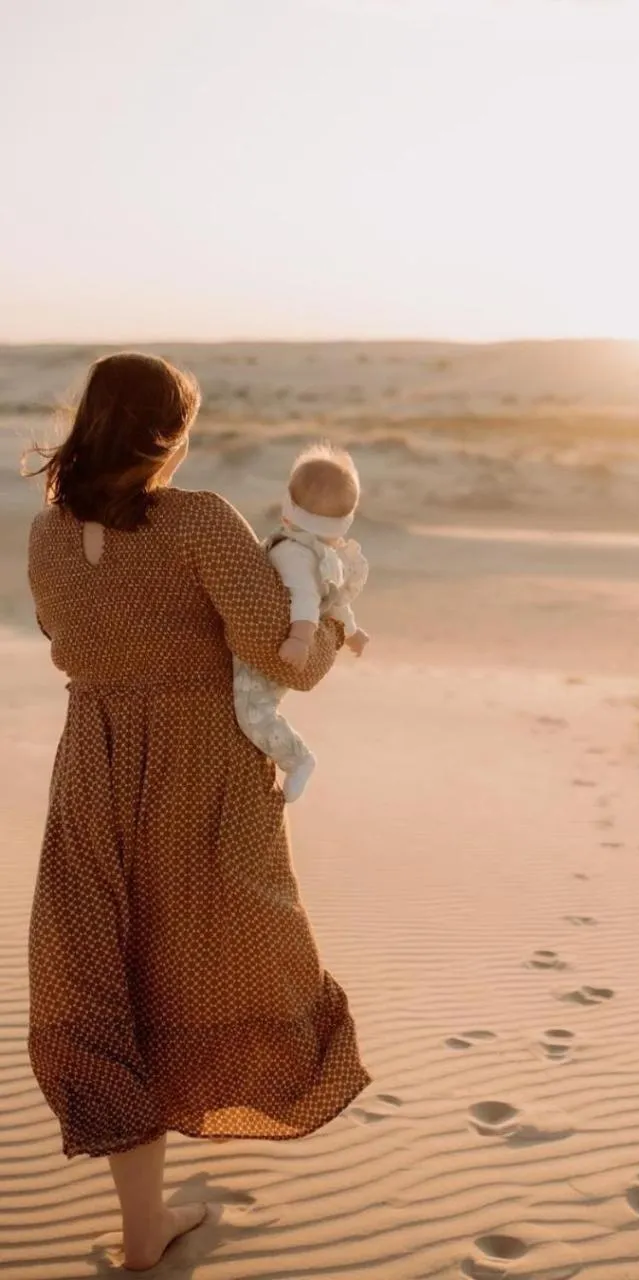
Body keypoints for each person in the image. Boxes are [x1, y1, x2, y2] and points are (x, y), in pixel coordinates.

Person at [24, 352, 370, 1271]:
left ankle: (146, 1228)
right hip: (200, 775)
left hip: (93, 768)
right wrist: (334, 612)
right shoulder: (199, 522)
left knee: (110, 987)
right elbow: (286, 660)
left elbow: (67, 642)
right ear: (165, 433)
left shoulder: (45, 533)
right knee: (213, 970)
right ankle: (149, 1229)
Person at [234, 443, 369, 803]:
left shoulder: (294, 552)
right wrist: (353, 634)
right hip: (281, 639)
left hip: (284, 645)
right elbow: (336, 604)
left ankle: (297, 758)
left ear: (288, 505)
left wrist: (299, 639)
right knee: (256, 704)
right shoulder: (323, 554)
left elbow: (307, 600)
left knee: (252, 710)